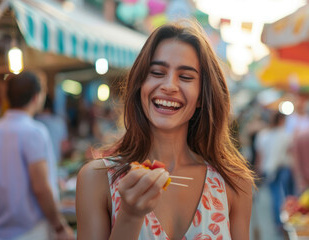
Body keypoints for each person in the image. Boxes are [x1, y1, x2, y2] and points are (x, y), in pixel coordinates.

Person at [76, 20, 255, 240]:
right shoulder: (97, 179)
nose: (169, 85)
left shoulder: (235, 183)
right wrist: (130, 216)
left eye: (186, 77)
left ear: (201, 96)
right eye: (157, 72)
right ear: (140, 85)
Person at [0, 72, 74, 240]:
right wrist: (59, 226)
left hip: (0, 232)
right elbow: (41, 187)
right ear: (36, 97)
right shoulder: (34, 132)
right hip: (33, 231)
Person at [35, 96, 68, 163]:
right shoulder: (59, 122)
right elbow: (64, 146)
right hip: (55, 163)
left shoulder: (34, 121)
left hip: (37, 164)